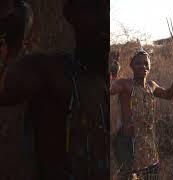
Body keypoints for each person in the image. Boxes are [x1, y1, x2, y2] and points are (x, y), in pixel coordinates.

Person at [0, 0, 108, 179]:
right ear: (72, 15)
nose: (105, 18)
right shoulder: (50, 72)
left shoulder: (111, 79)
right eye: (95, 7)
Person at [110, 48, 173, 179]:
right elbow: (110, 89)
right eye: (138, 63)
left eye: (146, 63)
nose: (143, 66)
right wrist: (113, 72)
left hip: (147, 142)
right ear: (131, 65)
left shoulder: (151, 86)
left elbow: (169, 95)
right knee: (128, 176)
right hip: (129, 143)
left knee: (150, 175)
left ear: (150, 66)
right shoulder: (125, 84)